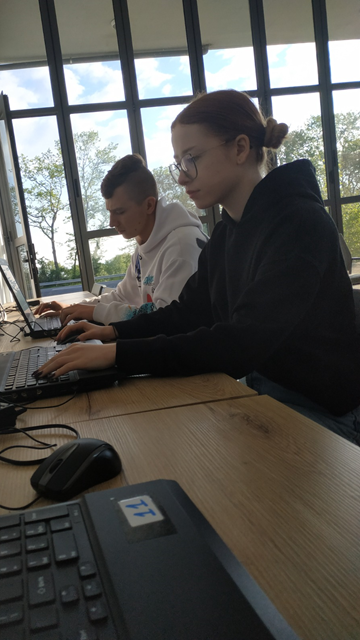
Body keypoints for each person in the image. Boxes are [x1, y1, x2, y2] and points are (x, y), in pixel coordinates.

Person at [32, 89, 360, 444]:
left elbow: (240, 343)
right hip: (262, 390)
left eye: (191, 159)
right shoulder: (227, 233)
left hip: (326, 415)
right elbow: (188, 313)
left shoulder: (298, 224)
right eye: (178, 164)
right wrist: (113, 334)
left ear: (240, 148)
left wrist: (117, 354)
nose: (182, 177)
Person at [34, 154, 208, 325]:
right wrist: (74, 308)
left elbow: (166, 320)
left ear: (149, 205)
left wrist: (95, 313)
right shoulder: (144, 247)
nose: (112, 222)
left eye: (120, 212)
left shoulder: (182, 247)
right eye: (110, 212)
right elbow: (121, 297)